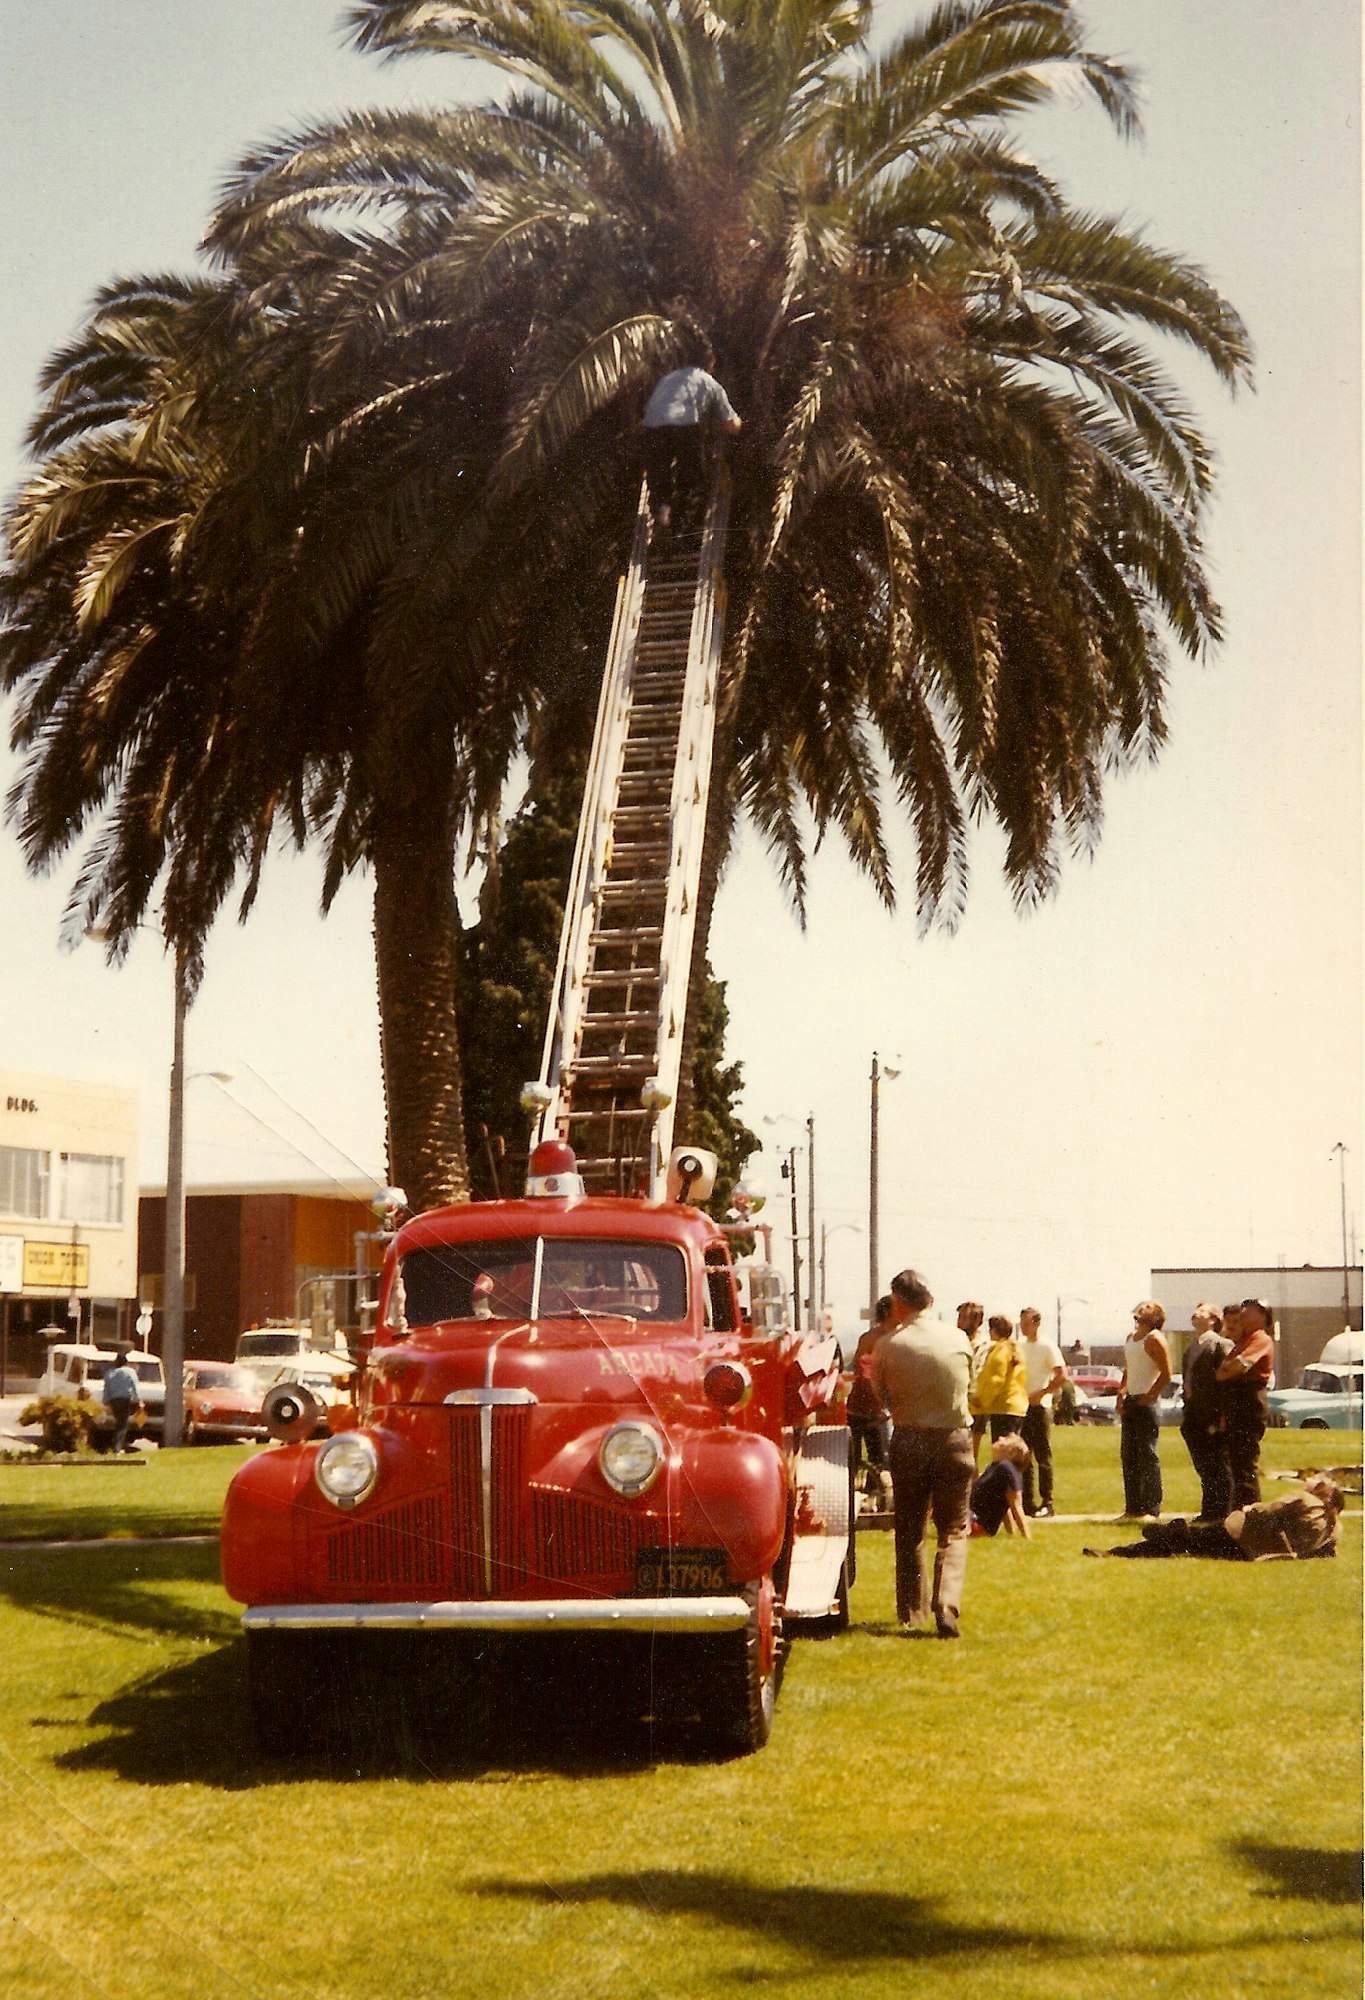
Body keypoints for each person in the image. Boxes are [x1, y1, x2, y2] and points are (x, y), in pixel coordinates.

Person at [871, 1268, 975, 1638]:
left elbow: (879, 1394)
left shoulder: (889, 1345)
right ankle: (946, 1602)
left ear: (897, 1303)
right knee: (954, 1527)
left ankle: (912, 1611)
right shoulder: (959, 1337)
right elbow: (969, 1386)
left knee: (910, 1528)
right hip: (954, 1439)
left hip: (910, 1438)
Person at [1084, 1476, 1344, 1561]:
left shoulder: (1305, 1499)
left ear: (1321, 1490)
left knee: (1187, 1540)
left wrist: (1248, 1508)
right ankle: (1167, 1535)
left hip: (1239, 1534)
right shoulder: (1333, 1529)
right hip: (1251, 1552)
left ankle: (1121, 1550)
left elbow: (1264, 1511)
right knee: (1187, 1546)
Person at [642, 342, 742, 537]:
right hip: (685, 426)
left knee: (659, 480)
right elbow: (732, 426)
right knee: (691, 479)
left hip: (652, 429)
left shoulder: (667, 379)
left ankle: (662, 518)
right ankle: (678, 528)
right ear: (710, 365)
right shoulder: (708, 381)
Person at [1216, 1297, 1275, 1507]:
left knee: (1245, 1462)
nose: (1243, 1313)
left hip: (1249, 1401)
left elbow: (1237, 1367)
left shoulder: (1260, 1339)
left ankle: (1250, 1514)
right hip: (1236, 1402)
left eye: (1249, 1310)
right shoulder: (1243, 1340)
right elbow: (1222, 1371)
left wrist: (1228, 1370)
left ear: (1262, 1316)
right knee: (1236, 1461)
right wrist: (1227, 1370)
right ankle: (1238, 1513)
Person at [1117, 1301, 1171, 1519]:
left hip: (1146, 1402)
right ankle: (1133, 1508)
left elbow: (1166, 1373)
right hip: (1130, 1398)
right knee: (1128, 1454)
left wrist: (1149, 1396)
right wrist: (1122, 1392)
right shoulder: (1131, 1338)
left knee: (1148, 1455)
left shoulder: (1155, 1338)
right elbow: (1129, 1370)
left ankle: (1151, 1508)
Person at [1180, 1301, 1233, 1520]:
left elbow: (1227, 1384)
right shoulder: (1190, 1348)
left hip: (1212, 1413)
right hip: (1193, 1413)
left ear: (1213, 1319)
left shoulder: (1220, 1345)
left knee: (1218, 1463)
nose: (1195, 1313)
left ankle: (1223, 1511)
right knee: (1203, 1464)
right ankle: (1209, 1510)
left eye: (1202, 1311)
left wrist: (1223, 1415)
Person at [1018, 1306, 1065, 1517]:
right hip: (1022, 1406)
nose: (1023, 1326)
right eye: (1021, 1323)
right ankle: (1027, 1502)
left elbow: (1062, 1374)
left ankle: (1047, 1502)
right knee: (1024, 1455)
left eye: (1026, 1323)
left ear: (1036, 1323)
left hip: (1040, 1407)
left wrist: (1044, 1392)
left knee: (1042, 1456)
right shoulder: (1019, 1345)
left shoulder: (1047, 1346)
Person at [847, 1295, 893, 1499]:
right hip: (868, 1407)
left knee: (879, 1458)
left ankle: (873, 1495)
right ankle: (858, 1494)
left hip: (875, 1408)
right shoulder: (873, 1338)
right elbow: (862, 1369)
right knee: (859, 1457)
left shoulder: (884, 1337)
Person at [968, 1314, 1028, 1444]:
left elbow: (995, 1380)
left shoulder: (999, 1352)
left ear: (993, 1330)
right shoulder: (1015, 1349)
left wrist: (982, 1401)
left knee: (1003, 1450)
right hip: (1017, 1405)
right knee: (1011, 1449)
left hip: (1003, 1407)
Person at [969, 1435, 1033, 1539]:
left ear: (1011, 1453)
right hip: (971, 1519)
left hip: (976, 1524)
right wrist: (1011, 1532)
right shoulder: (996, 1467)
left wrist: (1027, 1537)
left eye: (1006, 1440)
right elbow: (1004, 1503)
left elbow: (1016, 1505)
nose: (1000, 1438)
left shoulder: (1007, 1469)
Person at [956, 1300, 988, 1464]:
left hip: (975, 1405)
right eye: (959, 1317)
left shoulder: (983, 1346)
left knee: (970, 1455)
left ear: (977, 1321)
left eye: (963, 1317)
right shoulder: (955, 1340)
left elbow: (978, 1373)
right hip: (955, 1403)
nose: (959, 1321)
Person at [101, 1348, 140, 1454]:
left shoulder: (109, 1373)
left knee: (119, 1422)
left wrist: (105, 1402)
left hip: (114, 1401)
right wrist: (139, 1400)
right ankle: (117, 1448)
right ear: (126, 1362)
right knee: (123, 1424)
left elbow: (106, 1388)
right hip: (125, 1400)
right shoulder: (130, 1372)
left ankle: (119, 1444)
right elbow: (135, 1386)